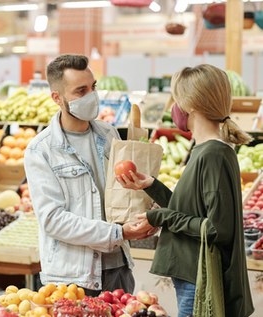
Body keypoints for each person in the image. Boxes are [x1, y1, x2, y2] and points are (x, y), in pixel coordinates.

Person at [116, 64, 254, 317]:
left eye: (176, 99)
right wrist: (153, 186)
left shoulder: (213, 153)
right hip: (192, 274)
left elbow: (216, 229)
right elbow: (192, 210)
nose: (173, 107)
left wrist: (159, 217)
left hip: (198, 279)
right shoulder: (206, 150)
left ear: (191, 105)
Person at [24, 54, 148, 296]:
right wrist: (118, 233)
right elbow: (52, 219)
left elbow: (120, 195)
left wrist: (141, 214)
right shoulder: (41, 150)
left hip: (119, 269)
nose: (91, 96)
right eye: (81, 91)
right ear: (57, 98)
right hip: (72, 278)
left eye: (93, 87)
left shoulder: (109, 134)